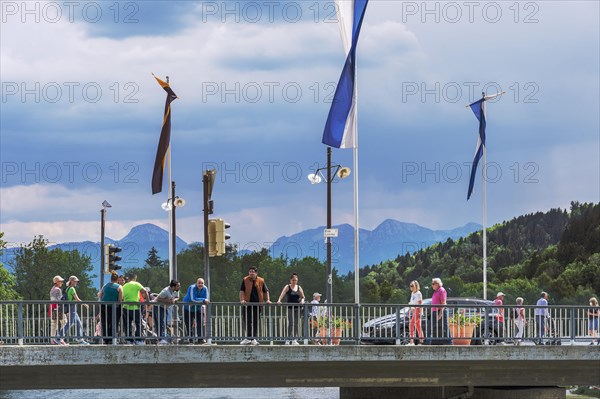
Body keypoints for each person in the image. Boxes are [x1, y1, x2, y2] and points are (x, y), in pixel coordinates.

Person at [239, 266, 271, 345]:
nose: (251, 273)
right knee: (247, 321)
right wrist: (242, 300)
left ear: (256, 273)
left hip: (257, 304)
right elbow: (241, 291)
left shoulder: (261, 280)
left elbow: (266, 291)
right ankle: (248, 338)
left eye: (253, 272)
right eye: (250, 272)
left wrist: (267, 300)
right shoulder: (245, 280)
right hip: (247, 304)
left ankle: (254, 339)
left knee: (255, 321)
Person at [56, 276, 90, 345]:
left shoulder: (68, 288)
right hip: (72, 307)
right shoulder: (72, 289)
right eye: (75, 281)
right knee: (70, 323)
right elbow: (77, 299)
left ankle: (79, 339)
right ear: (71, 281)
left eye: (77, 282)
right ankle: (58, 337)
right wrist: (84, 304)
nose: (76, 283)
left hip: (71, 307)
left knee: (78, 323)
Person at [277, 272, 306, 345]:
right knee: (291, 323)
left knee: (296, 323)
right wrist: (279, 300)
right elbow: (282, 294)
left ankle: (294, 339)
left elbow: (303, 296)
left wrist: (302, 301)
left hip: (298, 308)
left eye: (295, 280)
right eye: (293, 280)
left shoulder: (299, 287)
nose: (294, 281)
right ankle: (288, 338)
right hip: (290, 308)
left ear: (297, 280)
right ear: (290, 280)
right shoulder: (287, 287)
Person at [122, 273, 150, 345]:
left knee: (127, 324)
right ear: (134, 278)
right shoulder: (136, 284)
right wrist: (147, 301)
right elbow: (145, 291)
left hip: (125, 307)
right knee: (138, 323)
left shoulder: (124, 286)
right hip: (135, 307)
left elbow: (122, 297)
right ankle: (138, 340)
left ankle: (129, 340)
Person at [98, 271, 123, 344]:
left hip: (103, 305)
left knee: (104, 322)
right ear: (117, 279)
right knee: (113, 322)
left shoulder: (105, 285)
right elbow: (120, 299)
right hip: (113, 307)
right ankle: (112, 338)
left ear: (110, 278)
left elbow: (99, 295)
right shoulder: (119, 287)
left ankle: (105, 339)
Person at [182, 278, 210, 344]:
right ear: (196, 283)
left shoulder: (205, 288)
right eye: (199, 283)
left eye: (202, 283)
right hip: (188, 308)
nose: (200, 284)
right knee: (189, 324)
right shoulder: (192, 287)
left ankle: (200, 339)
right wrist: (203, 300)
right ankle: (191, 339)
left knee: (200, 322)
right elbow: (192, 299)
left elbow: (207, 298)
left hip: (197, 308)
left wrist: (204, 300)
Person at [154, 280, 180, 345]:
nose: (179, 287)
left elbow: (177, 297)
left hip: (165, 307)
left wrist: (175, 300)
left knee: (164, 323)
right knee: (160, 323)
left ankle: (162, 338)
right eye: (178, 286)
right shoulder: (165, 291)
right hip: (158, 307)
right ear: (173, 287)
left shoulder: (176, 291)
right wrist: (167, 300)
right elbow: (157, 299)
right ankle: (160, 339)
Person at [427, 277, 451, 345]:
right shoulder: (436, 291)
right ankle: (428, 342)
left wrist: (440, 314)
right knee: (430, 326)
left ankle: (450, 342)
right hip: (434, 312)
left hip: (440, 311)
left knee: (445, 327)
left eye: (433, 284)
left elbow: (443, 303)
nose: (432, 285)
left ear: (437, 284)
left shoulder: (441, 290)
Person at [49, 275, 66, 345]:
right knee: (65, 322)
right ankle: (61, 339)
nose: (62, 282)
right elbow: (59, 300)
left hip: (52, 308)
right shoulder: (58, 290)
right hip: (58, 308)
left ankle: (52, 340)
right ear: (57, 282)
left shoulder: (52, 289)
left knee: (53, 324)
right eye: (61, 281)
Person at [407, 280, 424, 345]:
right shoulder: (413, 293)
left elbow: (420, 304)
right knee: (418, 326)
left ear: (416, 286)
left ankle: (411, 341)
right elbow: (411, 303)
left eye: (412, 286)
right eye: (410, 286)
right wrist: (409, 310)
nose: (411, 287)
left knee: (411, 324)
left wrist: (420, 313)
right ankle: (421, 341)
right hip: (413, 310)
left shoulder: (418, 293)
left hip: (417, 310)